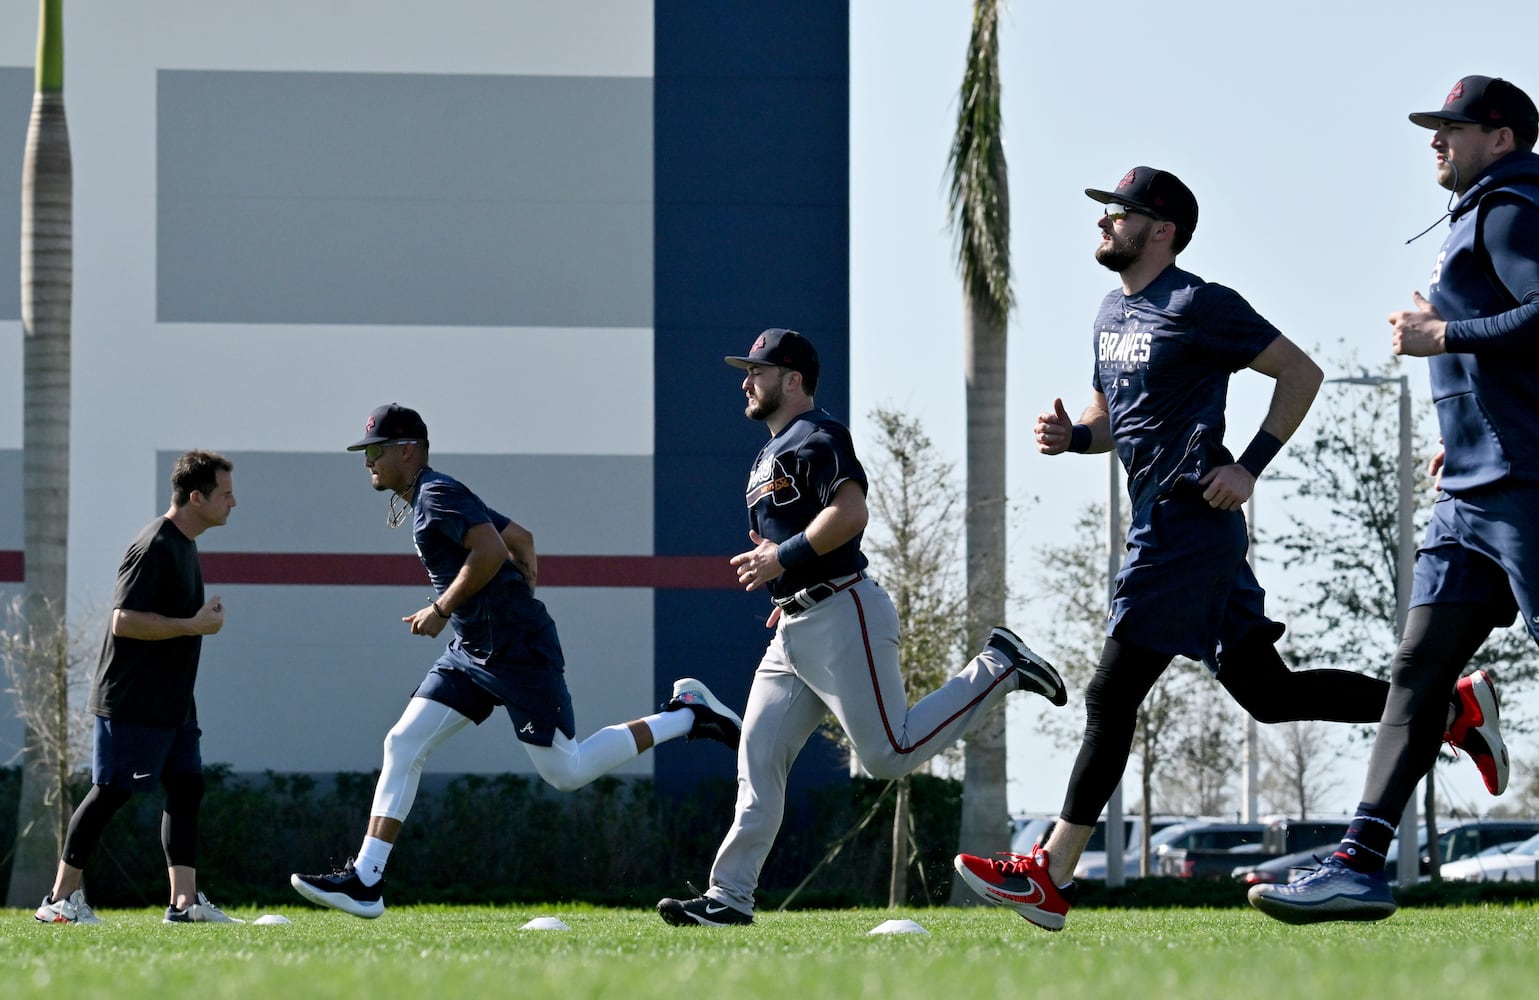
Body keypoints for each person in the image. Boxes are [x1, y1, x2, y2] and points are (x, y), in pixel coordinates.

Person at [951, 167, 1506, 932]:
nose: (1104, 223)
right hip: (1171, 530)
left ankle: (1049, 873)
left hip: (1183, 527)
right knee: (1268, 697)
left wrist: (1248, 466)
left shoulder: (1200, 304)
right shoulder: (1112, 309)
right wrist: (1074, 437)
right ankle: (1446, 710)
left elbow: (1299, 373)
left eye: (1120, 213)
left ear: (1162, 231)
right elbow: (1111, 412)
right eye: (1107, 213)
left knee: (1111, 696)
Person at [655, 329, 1068, 928]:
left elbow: (850, 514)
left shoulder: (816, 434)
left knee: (888, 755)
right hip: (796, 624)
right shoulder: (769, 451)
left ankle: (998, 666)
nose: (747, 381)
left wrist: (784, 561)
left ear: (792, 379)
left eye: (758, 370)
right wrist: (784, 582)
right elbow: (797, 541)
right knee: (758, 758)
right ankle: (729, 898)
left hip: (843, 612)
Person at [1250, 75, 1539, 925]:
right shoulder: (1480, 210)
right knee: (1415, 677)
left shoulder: (1514, 205)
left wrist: (1439, 335)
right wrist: (1465, 415)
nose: (1434, 139)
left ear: (1502, 137)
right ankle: (1357, 864)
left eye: (1452, 126)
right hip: (1472, 489)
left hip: (1525, 488)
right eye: (1433, 127)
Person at [290, 404, 742, 918]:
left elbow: (489, 551)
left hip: (519, 654)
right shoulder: (431, 494)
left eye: (374, 450)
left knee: (566, 772)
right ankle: (366, 881)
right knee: (403, 741)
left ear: (407, 450)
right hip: (472, 653)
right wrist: (509, 602)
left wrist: (448, 609)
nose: (368, 461)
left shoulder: (436, 492)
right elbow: (521, 540)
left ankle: (688, 714)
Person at [35, 450, 243, 925]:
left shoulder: (185, 544)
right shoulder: (156, 545)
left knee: (187, 787)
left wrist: (193, 626)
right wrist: (193, 626)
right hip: (131, 699)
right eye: (226, 494)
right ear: (196, 497)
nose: (234, 502)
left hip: (173, 701)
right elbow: (124, 621)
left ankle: (184, 904)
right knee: (110, 792)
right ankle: (59, 901)